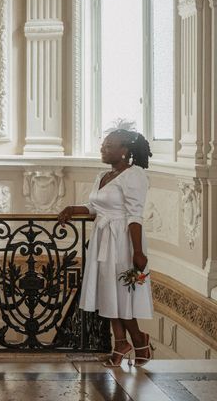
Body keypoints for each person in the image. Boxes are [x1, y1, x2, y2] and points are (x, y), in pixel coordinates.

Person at [57, 129, 154, 367]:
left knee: (122, 295)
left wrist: (138, 252)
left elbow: (135, 216)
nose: (103, 148)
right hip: (103, 240)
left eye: (109, 145)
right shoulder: (103, 175)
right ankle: (121, 343)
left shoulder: (134, 175)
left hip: (122, 241)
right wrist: (72, 209)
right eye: (103, 144)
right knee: (107, 293)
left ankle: (139, 340)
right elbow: (94, 208)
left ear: (125, 151)